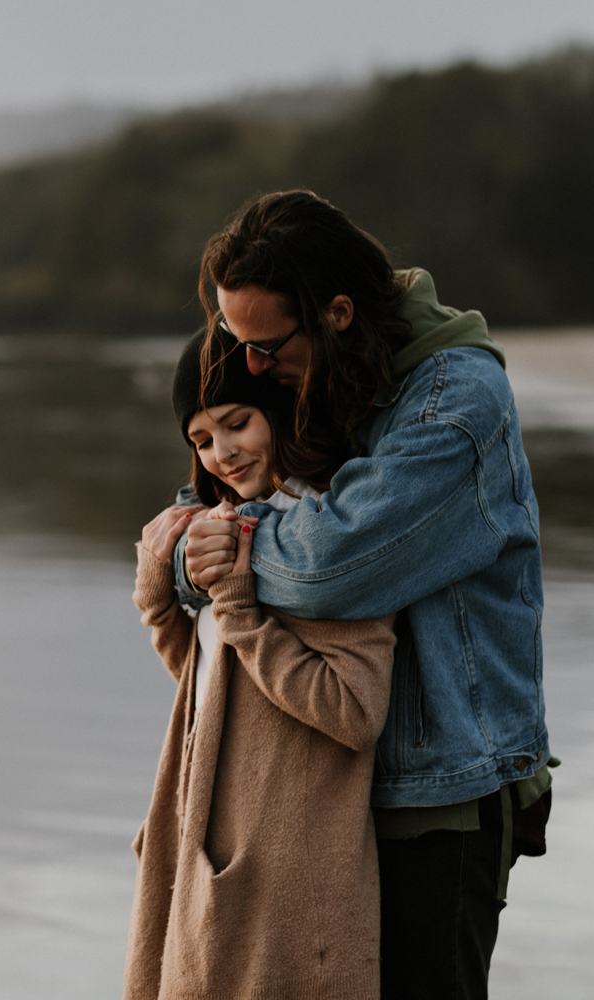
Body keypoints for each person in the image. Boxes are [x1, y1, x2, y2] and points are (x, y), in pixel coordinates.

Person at [176, 190, 551, 999]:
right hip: (325, 787)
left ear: (337, 311)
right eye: (236, 344)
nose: (250, 367)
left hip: (438, 794)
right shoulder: (320, 365)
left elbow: (333, 567)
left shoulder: (455, 407)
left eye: (263, 346)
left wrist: (221, 556)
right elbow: (206, 504)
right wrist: (185, 558)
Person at [124, 328, 395, 1000]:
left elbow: (353, 710)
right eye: (201, 439)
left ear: (280, 409)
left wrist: (241, 610)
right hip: (205, 855)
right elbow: (212, 689)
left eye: (236, 423)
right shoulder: (230, 521)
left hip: (290, 880)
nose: (221, 452)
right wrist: (158, 598)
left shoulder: (327, 535)